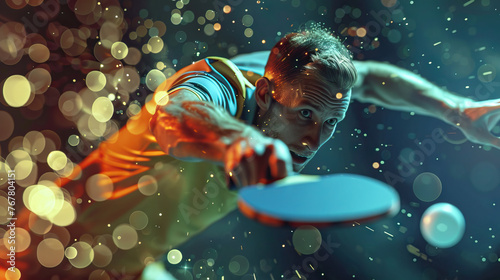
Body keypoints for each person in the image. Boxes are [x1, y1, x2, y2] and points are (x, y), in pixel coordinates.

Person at [7, 28, 500, 280]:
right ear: (264, 94)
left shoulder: (297, 83)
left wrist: (457, 109)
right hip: (43, 251)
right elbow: (177, 113)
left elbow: (368, 79)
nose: (313, 139)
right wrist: (234, 141)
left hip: (127, 266)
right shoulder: (216, 83)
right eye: (305, 115)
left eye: (330, 123)